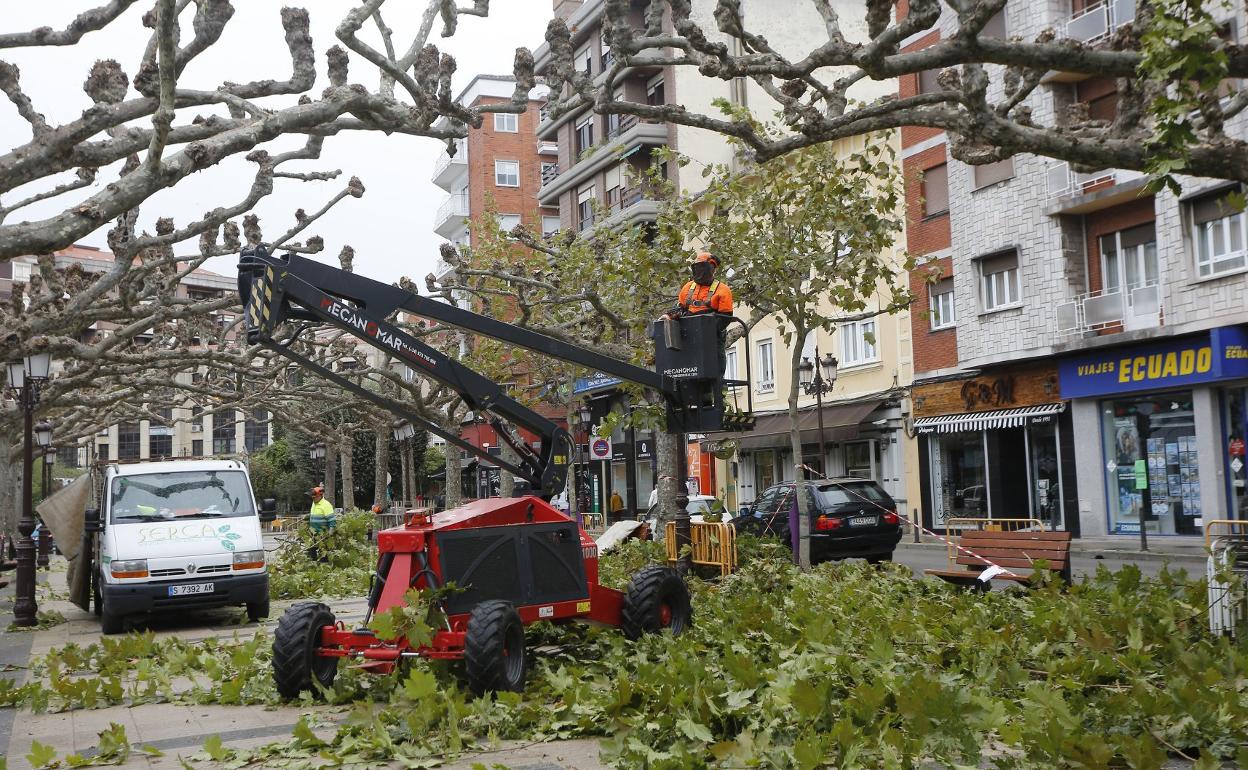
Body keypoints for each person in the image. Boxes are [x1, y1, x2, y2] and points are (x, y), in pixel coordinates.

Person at [664, 252, 733, 319]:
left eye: (701, 267)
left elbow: (726, 316)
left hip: (710, 325)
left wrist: (711, 329)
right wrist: (669, 316)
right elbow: (679, 308)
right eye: (697, 267)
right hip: (688, 325)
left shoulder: (723, 289)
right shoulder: (688, 286)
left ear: (711, 268)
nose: (699, 270)